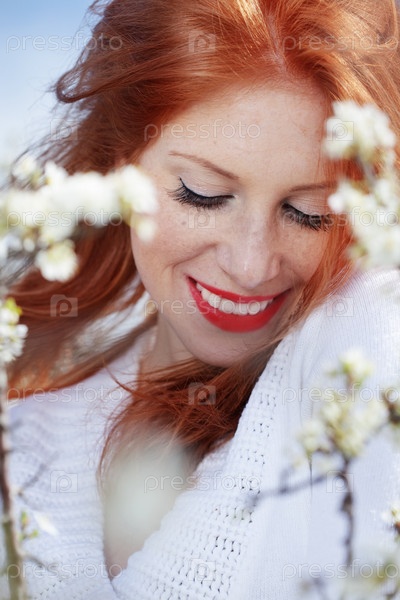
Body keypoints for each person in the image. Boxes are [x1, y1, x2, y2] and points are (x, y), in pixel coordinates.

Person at [3, 0, 400, 598]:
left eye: (309, 212)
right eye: (202, 193)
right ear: (121, 162)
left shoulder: (366, 345)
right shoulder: (25, 440)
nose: (251, 265)